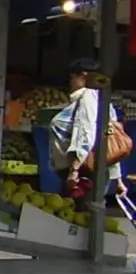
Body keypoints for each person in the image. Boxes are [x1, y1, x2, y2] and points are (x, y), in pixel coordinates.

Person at [51, 57, 128, 199]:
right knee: (85, 215)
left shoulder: (87, 95)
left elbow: (85, 132)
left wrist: (74, 170)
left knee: (83, 215)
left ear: (84, 76)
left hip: (83, 173)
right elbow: (110, 142)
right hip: (92, 170)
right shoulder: (104, 102)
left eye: (72, 77)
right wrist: (118, 180)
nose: (70, 82)